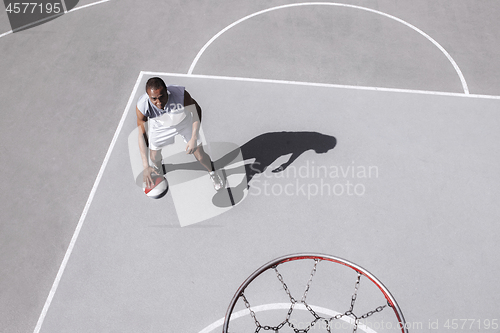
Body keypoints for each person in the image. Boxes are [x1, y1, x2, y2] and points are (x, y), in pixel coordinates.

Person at [136, 77, 224, 191]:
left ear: (166, 90)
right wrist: (145, 166)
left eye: (162, 96)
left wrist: (194, 137)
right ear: (148, 96)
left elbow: (197, 111)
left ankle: (212, 173)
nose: (159, 102)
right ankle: (158, 166)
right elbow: (142, 136)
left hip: (183, 122)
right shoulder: (142, 106)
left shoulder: (180, 95)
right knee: (154, 157)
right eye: (154, 99)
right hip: (160, 127)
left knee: (200, 155)